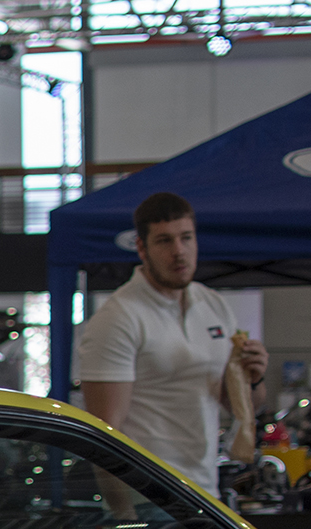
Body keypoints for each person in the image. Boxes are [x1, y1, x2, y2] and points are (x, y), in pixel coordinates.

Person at [77, 191, 268, 494]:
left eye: (186, 238)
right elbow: (104, 436)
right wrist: (123, 517)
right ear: (141, 247)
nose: (179, 251)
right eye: (164, 241)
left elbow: (238, 406)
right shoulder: (118, 317)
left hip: (206, 493)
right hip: (150, 500)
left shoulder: (214, 305)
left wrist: (253, 381)